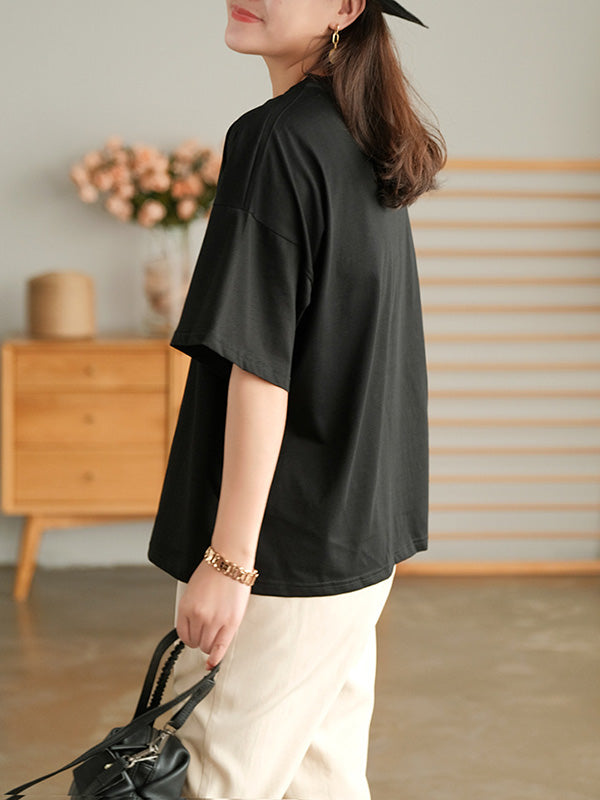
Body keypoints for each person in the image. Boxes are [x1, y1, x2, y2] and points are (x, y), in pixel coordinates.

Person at [147, 1, 446, 798]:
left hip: (284, 550)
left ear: (346, 7)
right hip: (354, 538)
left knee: (214, 783)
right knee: (323, 781)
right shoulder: (361, 132)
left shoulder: (276, 137)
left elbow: (259, 366)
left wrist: (228, 563)